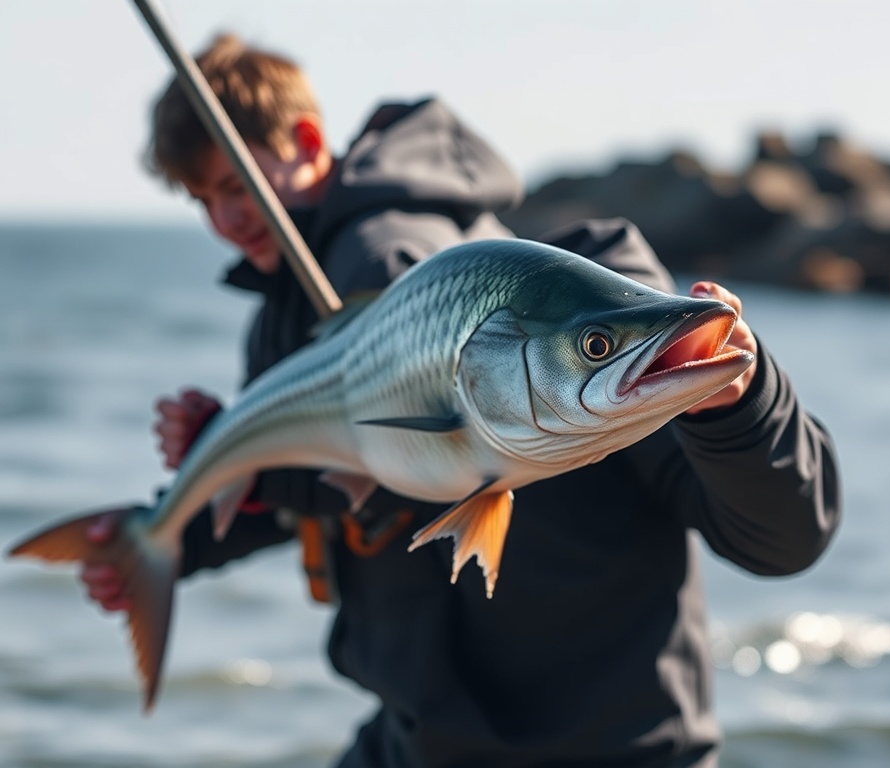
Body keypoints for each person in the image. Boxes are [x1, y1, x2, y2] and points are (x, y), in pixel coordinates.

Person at [80, 33, 841, 768]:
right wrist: (177, 540)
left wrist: (737, 406)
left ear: (309, 142)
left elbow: (783, 537)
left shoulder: (606, 302)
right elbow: (345, 489)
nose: (226, 218)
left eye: (237, 185)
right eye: (203, 199)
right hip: (415, 743)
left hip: (620, 752)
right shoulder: (286, 326)